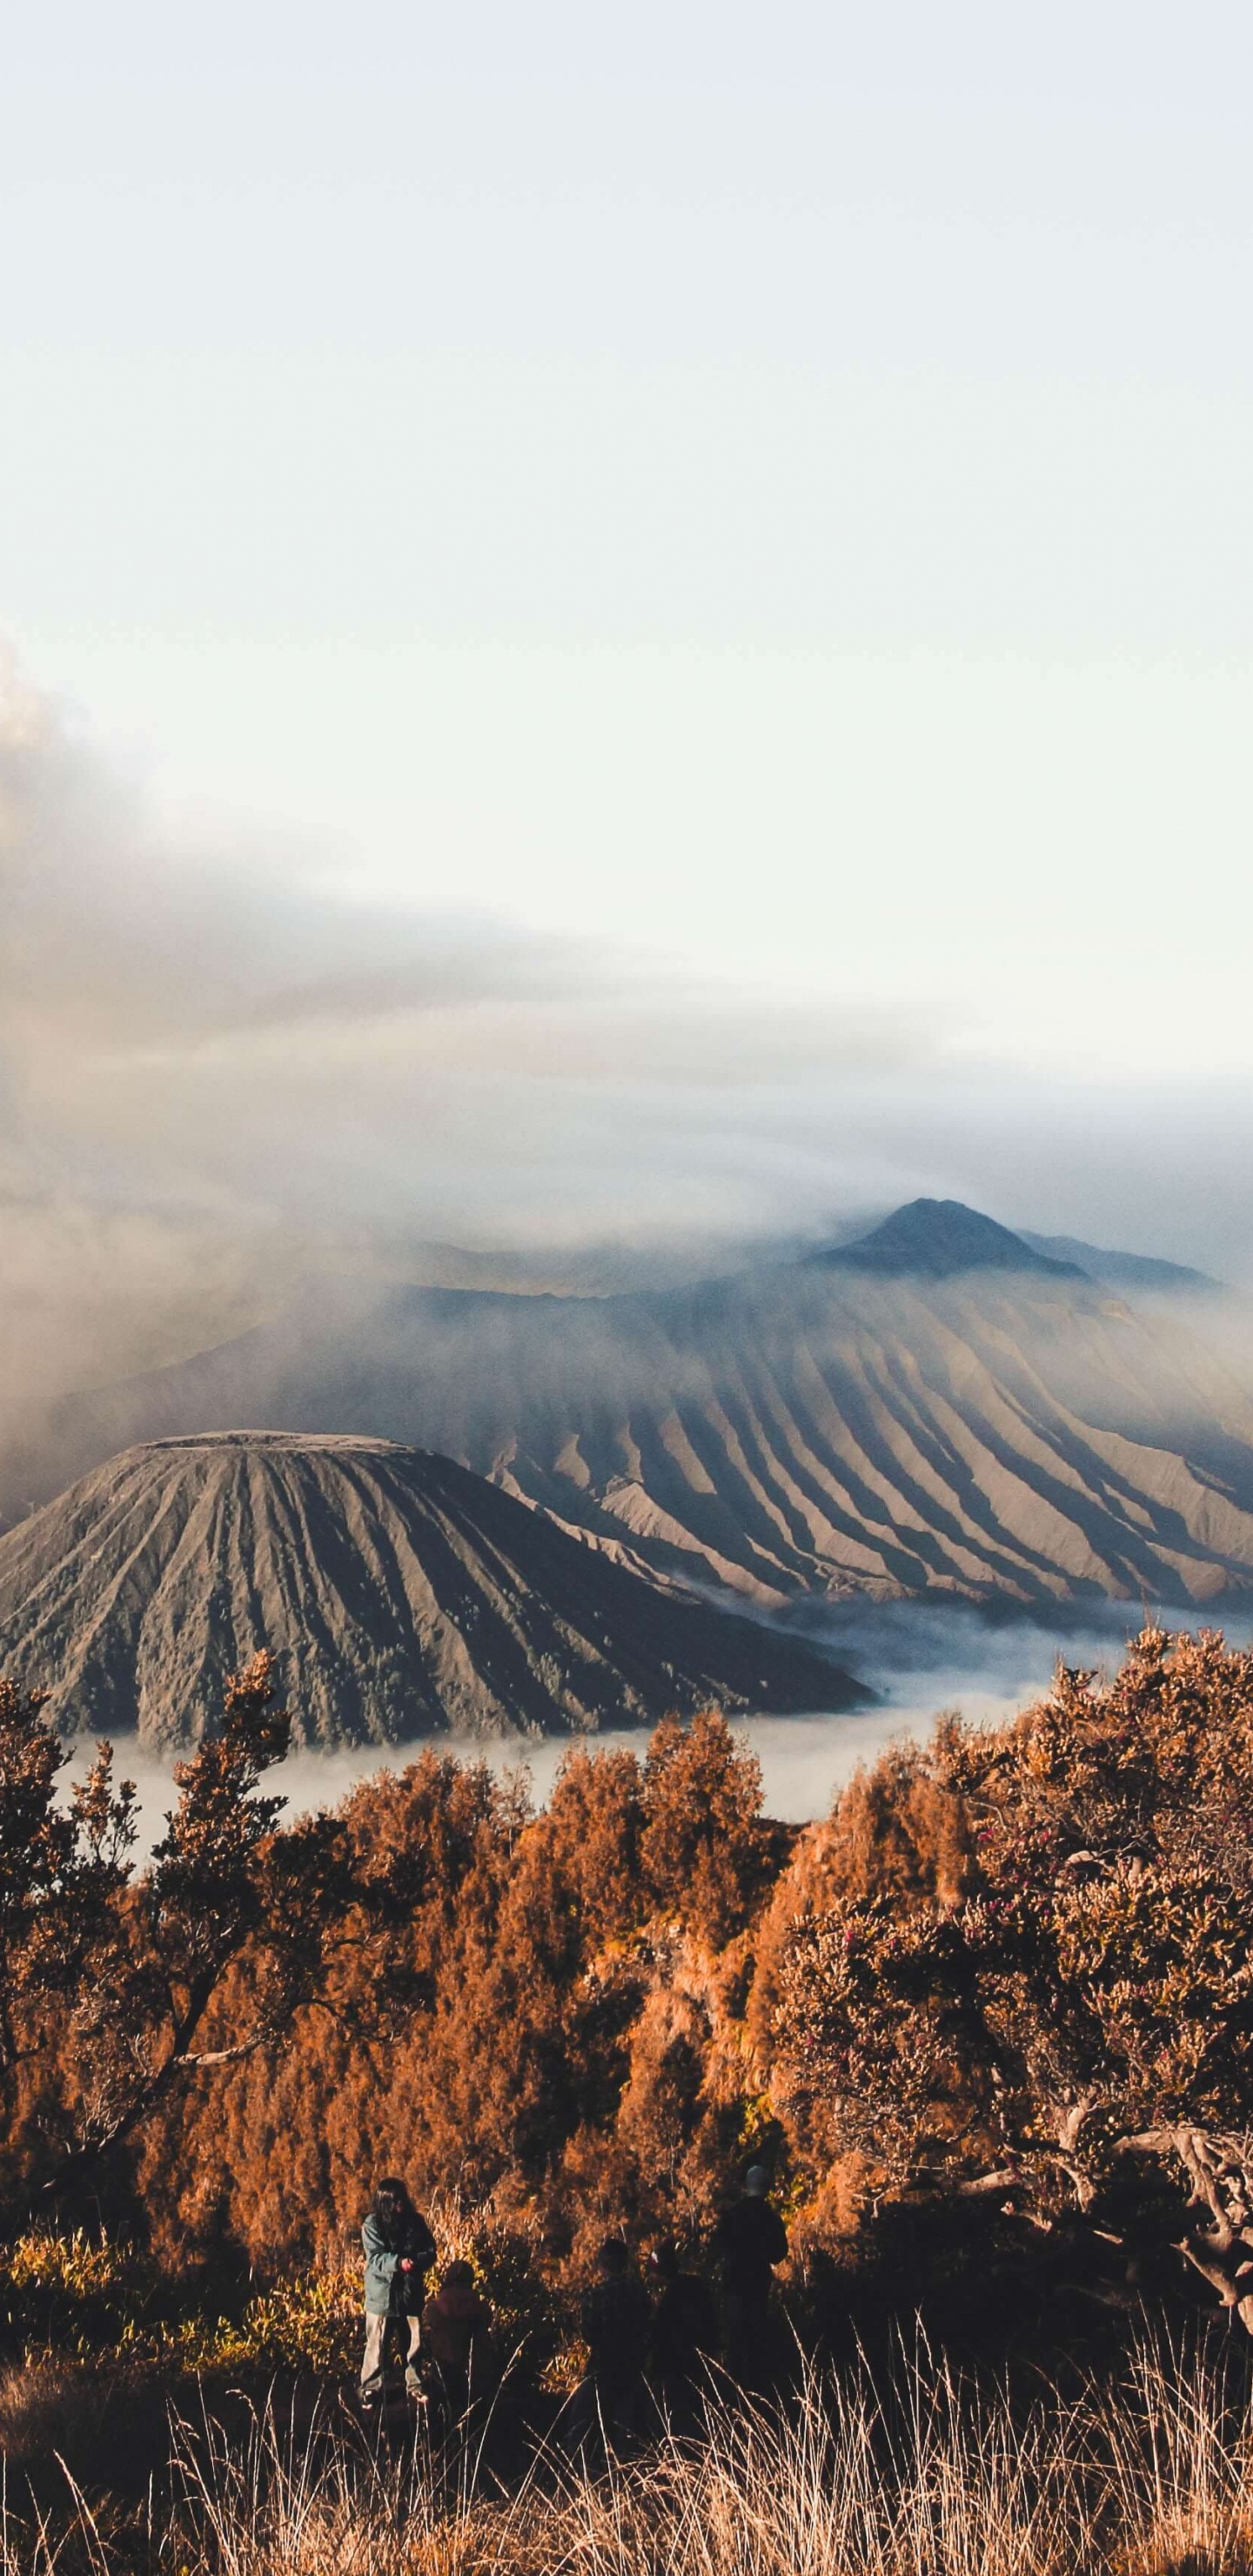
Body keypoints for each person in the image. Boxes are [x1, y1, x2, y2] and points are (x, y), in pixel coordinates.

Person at [360, 2175, 437, 2408]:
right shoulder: (372, 2224)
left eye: (401, 2198)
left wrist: (416, 2262)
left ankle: (414, 2385)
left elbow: (430, 2251)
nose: (400, 2204)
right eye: (394, 2200)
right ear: (384, 2202)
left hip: (409, 2292)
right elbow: (375, 2258)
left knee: (413, 2343)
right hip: (382, 2294)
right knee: (377, 2344)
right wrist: (399, 2263)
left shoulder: (415, 2222)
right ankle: (370, 2388)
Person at [571, 2237, 651, 2451]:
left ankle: (580, 2461)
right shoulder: (639, 2292)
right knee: (627, 2425)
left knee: (581, 2420)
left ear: (602, 2263)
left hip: (603, 2365)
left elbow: (589, 2334)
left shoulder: (595, 2295)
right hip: (633, 2365)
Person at [714, 2165, 787, 2392]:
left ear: (747, 2185)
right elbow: (779, 2253)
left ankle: (735, 2389)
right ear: (767, 2187)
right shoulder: (771, 2218)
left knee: (736, 2337)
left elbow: (718, 2246)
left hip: (734, 2284)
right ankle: (756, 2389)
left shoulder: (732, 2215)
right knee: (756, 2336)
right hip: (758, 2285)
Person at [647, 2237, 719, 2427]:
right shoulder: (695, 2286)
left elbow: (661, 2333)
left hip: (676, 2367)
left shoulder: (671, 2298)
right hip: (699, 2363)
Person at [421, 2259, 492, 2420]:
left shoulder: (435, 2308)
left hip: (443, 2374)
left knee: (439, 2419)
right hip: (474, 2376)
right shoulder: (481, 2308)